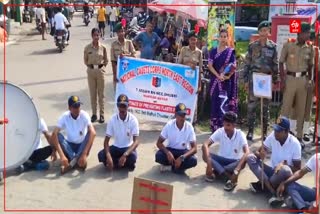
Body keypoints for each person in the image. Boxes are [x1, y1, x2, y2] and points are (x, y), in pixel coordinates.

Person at [246, 116, 302, 207]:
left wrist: (283, 164)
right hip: (271, 173)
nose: (275, 132)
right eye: (275, 129)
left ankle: (262, 185)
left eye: (279, 131)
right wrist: (260, 154)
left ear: (286, 131)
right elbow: (258, 151)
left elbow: (298, 169)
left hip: (283, 177)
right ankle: (272, 191)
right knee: (250, 157)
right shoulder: (273, 136)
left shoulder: (295, 144)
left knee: (285, 170)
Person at [279, 22, 314, 146]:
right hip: (290, 79)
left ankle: (298, 137)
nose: (309, 35)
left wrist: (310, 79)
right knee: (286, 108)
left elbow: (310, 65)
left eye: (309, 32)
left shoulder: (309, 47)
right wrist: (282, 80)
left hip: (303, 81)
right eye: (307, 33)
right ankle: (280, 134)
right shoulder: (289, 44)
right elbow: (281, 62)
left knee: (301, 109)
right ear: (300, 33)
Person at [243, 21, 278, 141]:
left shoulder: (273, 47)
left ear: (269, 32)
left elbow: (275, 65)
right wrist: (246, 80)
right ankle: (251, 131)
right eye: (262, 31)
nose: (264, 33)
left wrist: (274, 80)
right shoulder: (253, 46)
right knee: (251, 106)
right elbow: (247, 64)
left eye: (266, 30)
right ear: (259, 32)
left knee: (265, 107)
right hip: (254, 79)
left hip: (266, 80)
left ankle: (264, 132)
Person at [202, 112, 249, 191]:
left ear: (234, 125)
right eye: (224, 124)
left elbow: (247, 152)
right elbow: (205, 145)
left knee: (244, 161)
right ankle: (230, 177)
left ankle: (219, 171)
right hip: (221, 160)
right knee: (205, 155)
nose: (225, 127)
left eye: (228, 125)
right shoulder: (220, 131)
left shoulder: (241, 134)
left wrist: (237, 170)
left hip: (233, 162)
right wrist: (209, 163)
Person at [51, 96, 96, 174]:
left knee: (90, 133)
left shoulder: (84, 115)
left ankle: (71, 163)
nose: (77, 109)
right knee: (58, 135)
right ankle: (77, 161)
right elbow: (54, 134)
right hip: (69, 146)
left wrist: (84, 154)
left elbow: (93, 133)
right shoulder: (64, 116)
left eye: (78, 106)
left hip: (82, 146)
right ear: (69, 108)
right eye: (74, 106)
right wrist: (61, 156)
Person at [98, 94, 140, 171]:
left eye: (124, 106)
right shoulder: (112, 119)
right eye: (120, 106)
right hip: (116, 146)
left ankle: (115, 164)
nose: (122, 109)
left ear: (128, 106)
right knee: (101, 155)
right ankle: (119, 163)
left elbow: (136, 141)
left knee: (133, 157)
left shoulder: (133, 120)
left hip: (127, 147)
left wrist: (125, 155)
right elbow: (106, 141)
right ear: (117, 106)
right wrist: (108, 156)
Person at [207, 29, 237, 133]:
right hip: (216, 81)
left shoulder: (230, 52)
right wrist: (218, 75)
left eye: (225, 36)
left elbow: (233, 66)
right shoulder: (213, 51)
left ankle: (225, 126)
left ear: (228, 38)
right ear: (218, 38)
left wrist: (227, 76)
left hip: (226, 82)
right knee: (215, 102)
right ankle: (215, 126)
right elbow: (210, 66)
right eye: (222, 36)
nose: (223, 39)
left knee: (224, 103)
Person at [155, 103, 197, 174]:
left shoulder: (189, 127)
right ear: (175, 115)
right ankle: (178, 168)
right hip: (171, 150)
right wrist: (167, 153)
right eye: (180, 115)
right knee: (158, 156)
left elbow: (194, 148)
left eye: (184, 115)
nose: (182, 117)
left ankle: (170, 167)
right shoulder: (169, 125)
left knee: (194, 160)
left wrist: (182, 157)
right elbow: (159, 143)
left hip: (183, 152)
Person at [84, 28, 108, 123]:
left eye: (98, 35)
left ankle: (101, 115)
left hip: (100, 71)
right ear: (92, 36)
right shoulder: (87, 48)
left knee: (101, 94)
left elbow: (106, 60)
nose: (96, 37)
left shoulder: (103, 48)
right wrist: (90, 67)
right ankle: (94, 114)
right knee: (92, 94)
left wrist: (102, 68)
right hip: (91, 71)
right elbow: (85, 60)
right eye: (94, 35)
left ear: (99, 36)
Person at [178, 30, 203, 124]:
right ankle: (180, 119)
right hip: (183, 80)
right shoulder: (184, 50)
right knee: (182, 99)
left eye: (195, 40)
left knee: (193, 101)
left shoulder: (199, 53)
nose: (193, 41)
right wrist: (187, 64)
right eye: (191, 39)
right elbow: (178, 65)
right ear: (188, 40)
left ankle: (193, 121)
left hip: (193, 82)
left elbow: (200, 70)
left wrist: (199, 85)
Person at [111, 22, 136, 91]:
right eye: (119, 32)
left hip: (128, 71)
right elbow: (113, 61)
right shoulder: (113, 44)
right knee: (118, 91)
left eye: (122, 31)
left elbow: (134, 55)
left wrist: (125, 55)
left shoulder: (129, 42)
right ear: (117, 33)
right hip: (118, 71)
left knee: (128, 91)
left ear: (124, 32)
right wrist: (114, 75)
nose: (121, 33)